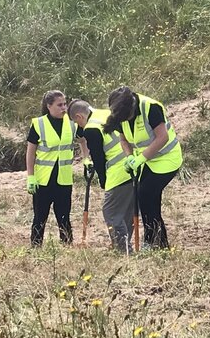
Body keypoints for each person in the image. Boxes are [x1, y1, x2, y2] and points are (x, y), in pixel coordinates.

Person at [103, 86, 182, 249]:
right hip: (147, 160)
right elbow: (124, 140)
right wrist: (130, 156)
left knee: (145, 194)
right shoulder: (119, 113)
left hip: (167, 159)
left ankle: (152, 241)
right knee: (147, 200)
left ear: (132, 107)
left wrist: (141, 158)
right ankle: (159, 243)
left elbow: (163, 137)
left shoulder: (151, 108)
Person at [68, 99, 135, 253]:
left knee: (110, 211)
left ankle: (122, 249)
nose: (78, 127)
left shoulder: (91, 128)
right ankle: (124, 244)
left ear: (79, 117)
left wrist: (103, 181)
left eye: (76, 122)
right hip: (133, 165)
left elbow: (98, 158)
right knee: (126, 210)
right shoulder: (105, 113)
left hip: (118, 172)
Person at [26, 90, 77, 246]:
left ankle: (67, 246)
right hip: (43, 179)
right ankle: (36, 246)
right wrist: (30, 176)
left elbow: (83, 140)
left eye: (65, 104)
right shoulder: (39, 124)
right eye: (59, 105)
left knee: (64, 216)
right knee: (40, 216)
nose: (64, 108)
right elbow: (31, 152)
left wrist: (87, 159)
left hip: (64, 178)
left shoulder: (72, 123)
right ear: (49, 106)